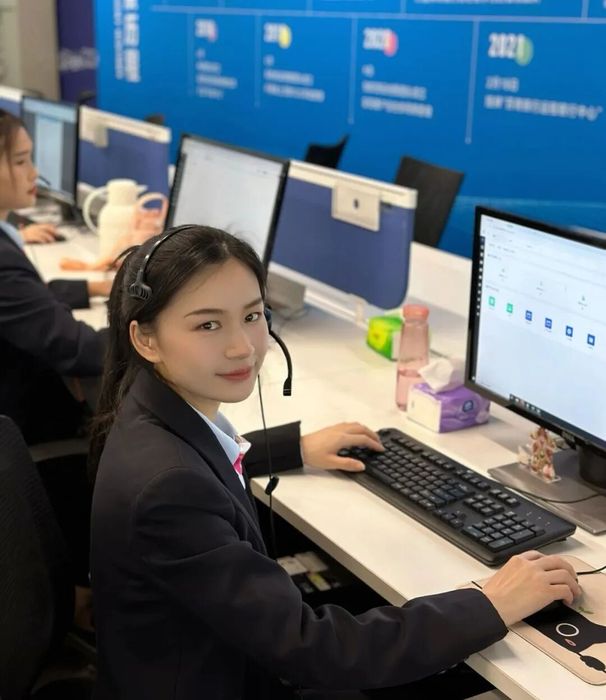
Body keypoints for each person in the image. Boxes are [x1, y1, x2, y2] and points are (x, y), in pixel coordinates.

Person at [89, 224, 580, 700]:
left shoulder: (151, 410)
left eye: (253, 315)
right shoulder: (170, 489)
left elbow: (201, 464)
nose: (242, 347)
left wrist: (295, 448)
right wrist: (490, 603)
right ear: (146, 339)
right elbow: (315, 649)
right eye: (208, 325)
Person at [0, 108, 109, 444]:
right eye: (21, 161)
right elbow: (81, 349)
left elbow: (26, 299)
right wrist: (159, 331)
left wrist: (96, 286)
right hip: (28, 435)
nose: (34, 172)